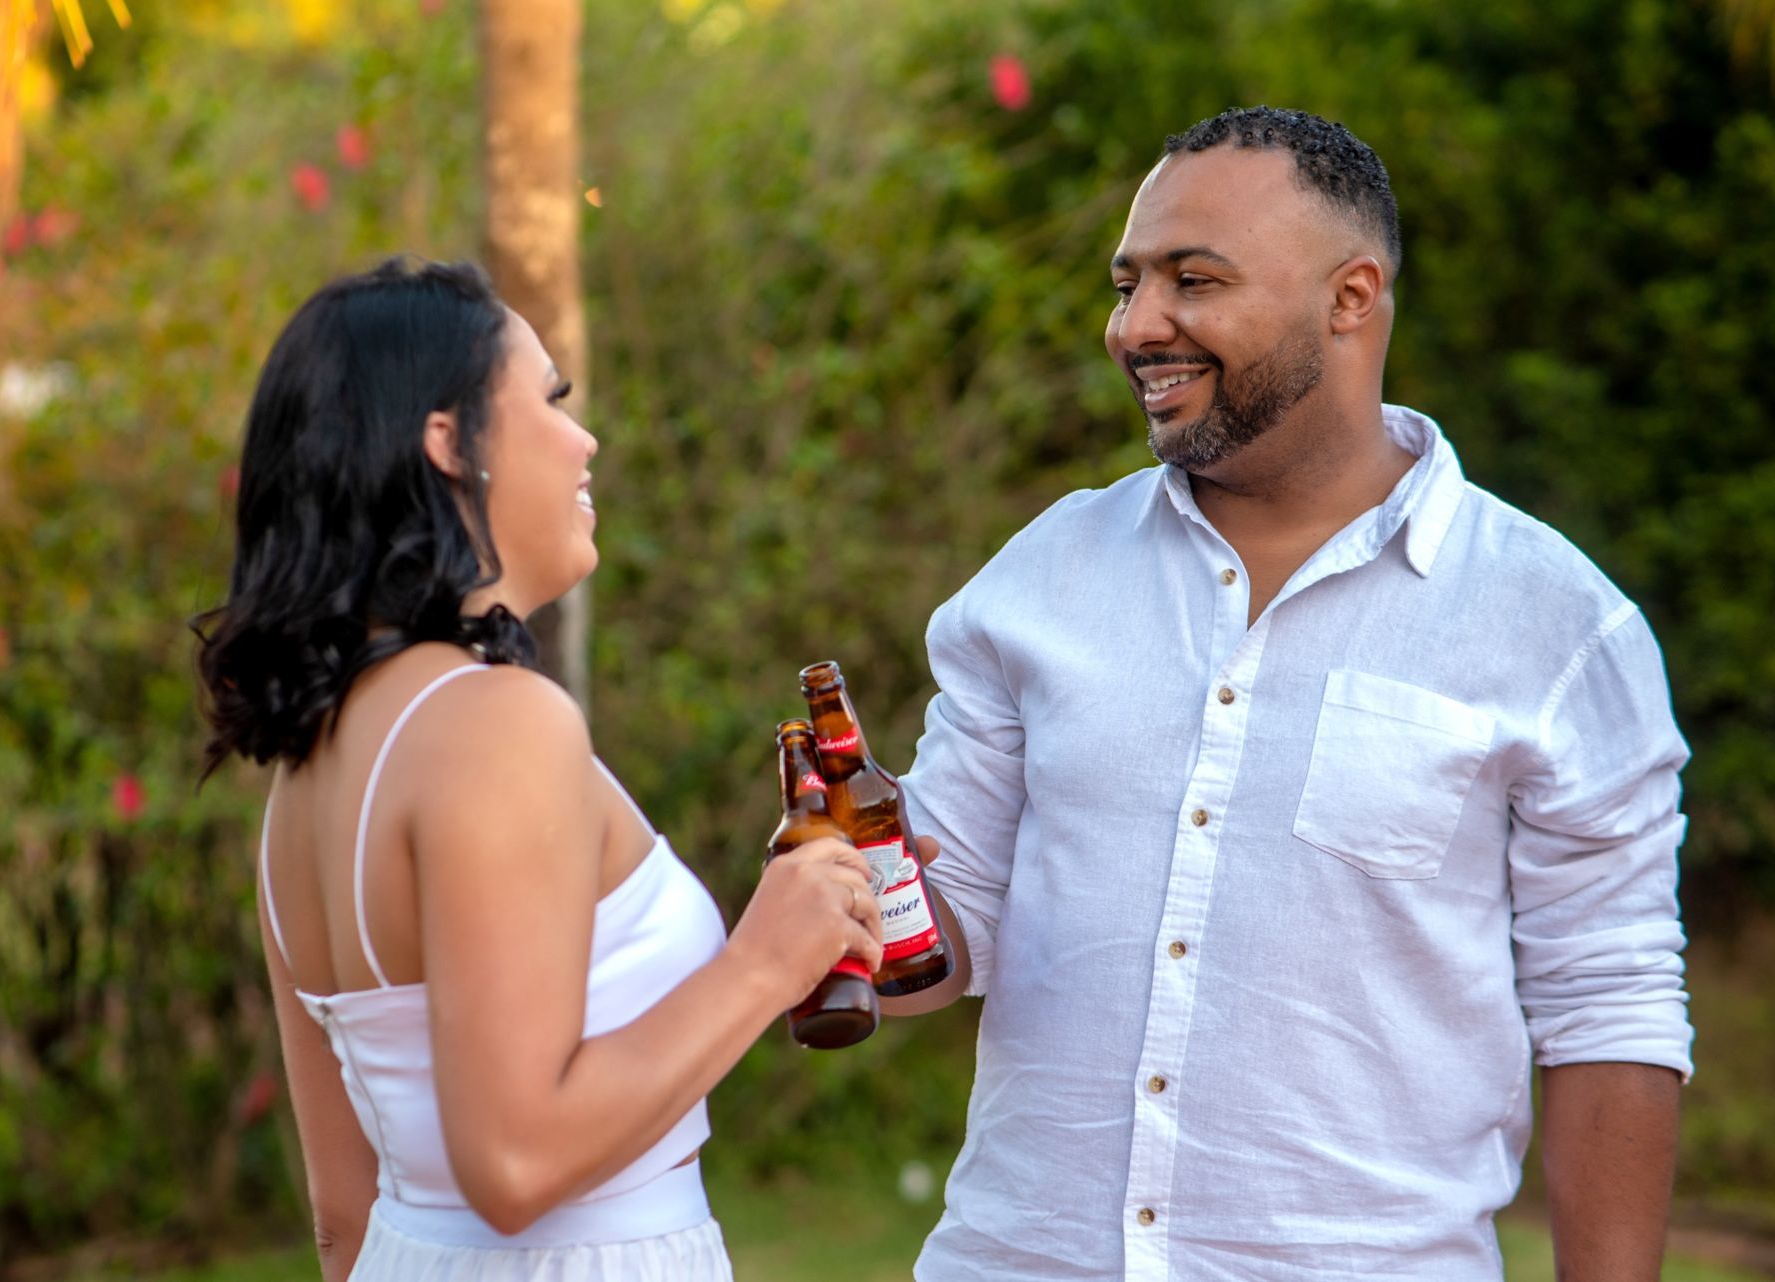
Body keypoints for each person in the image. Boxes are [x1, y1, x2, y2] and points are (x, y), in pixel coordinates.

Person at [885, 107, 1694, 1281]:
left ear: (1351, 298)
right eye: (1128, 283)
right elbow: (942, 932)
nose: (1136, 326)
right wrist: (850, 875)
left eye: (1192, 279)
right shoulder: (1042, 575)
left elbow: (1608, 1006)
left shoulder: (1555, 624)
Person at [194, 258, 882, 1281]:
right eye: (552, 400)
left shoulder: (308, 771)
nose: (585, 439)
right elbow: (514, 1161)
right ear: (450, 444)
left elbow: (342, 1212)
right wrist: (764, 964)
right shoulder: (499, 725)